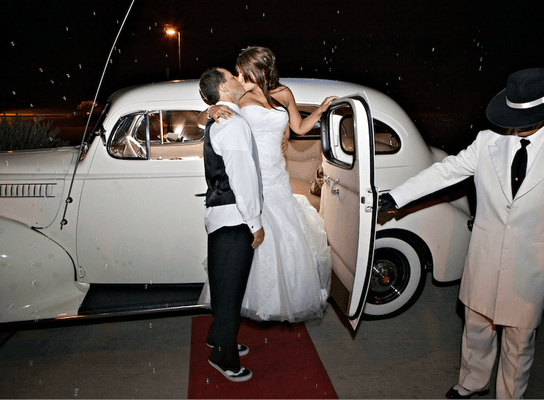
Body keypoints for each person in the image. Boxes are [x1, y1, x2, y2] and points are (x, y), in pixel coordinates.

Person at [379, 68, 544, 399]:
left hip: (530, 266)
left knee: (518, 342)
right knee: (476, 329)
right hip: (484, 256)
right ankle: (472, 383)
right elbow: (446, 171)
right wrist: (398, 196)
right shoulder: (487, 141)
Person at [199, 46, 336, 322]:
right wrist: (211, 110)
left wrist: (320, 110)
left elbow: (298, 128)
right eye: (236, 73)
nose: (239, 76)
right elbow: (203, 119)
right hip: (253, 174)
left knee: (286, 240)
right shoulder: (240, 95)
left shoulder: (283, 94)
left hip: (277, 174)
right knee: (255, 241)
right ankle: (244, 306)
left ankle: (280, 301)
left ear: (261, 69)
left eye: (243, 71)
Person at [198, 67, 265, 382]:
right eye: (233, 77)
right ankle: (222, 356)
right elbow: (242, 176)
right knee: (231, 290)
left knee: (224, 285)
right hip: (236, 217)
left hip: (222, 216)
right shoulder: (231, 123)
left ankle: (217, 336)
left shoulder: (220, 117)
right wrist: (254, 221)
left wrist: (208, 110)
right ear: (223, 88)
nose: (239, 80)